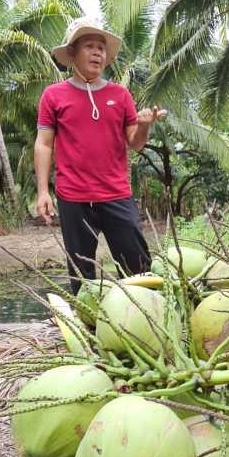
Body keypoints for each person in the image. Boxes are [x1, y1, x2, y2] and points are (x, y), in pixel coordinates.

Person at [34, 18, 167, 293]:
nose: (97, 52)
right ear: (72, 53)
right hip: (73, 197)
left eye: (101, 48)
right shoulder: (53, 95)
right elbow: (44, 143)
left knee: (137, 268)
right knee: (82, 277)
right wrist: (42, 192)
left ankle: (146, 318)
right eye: (89, 46)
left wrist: (143, 125)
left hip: (116, 194)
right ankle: (90, 327)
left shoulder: (120, 94)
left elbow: (136, 144)